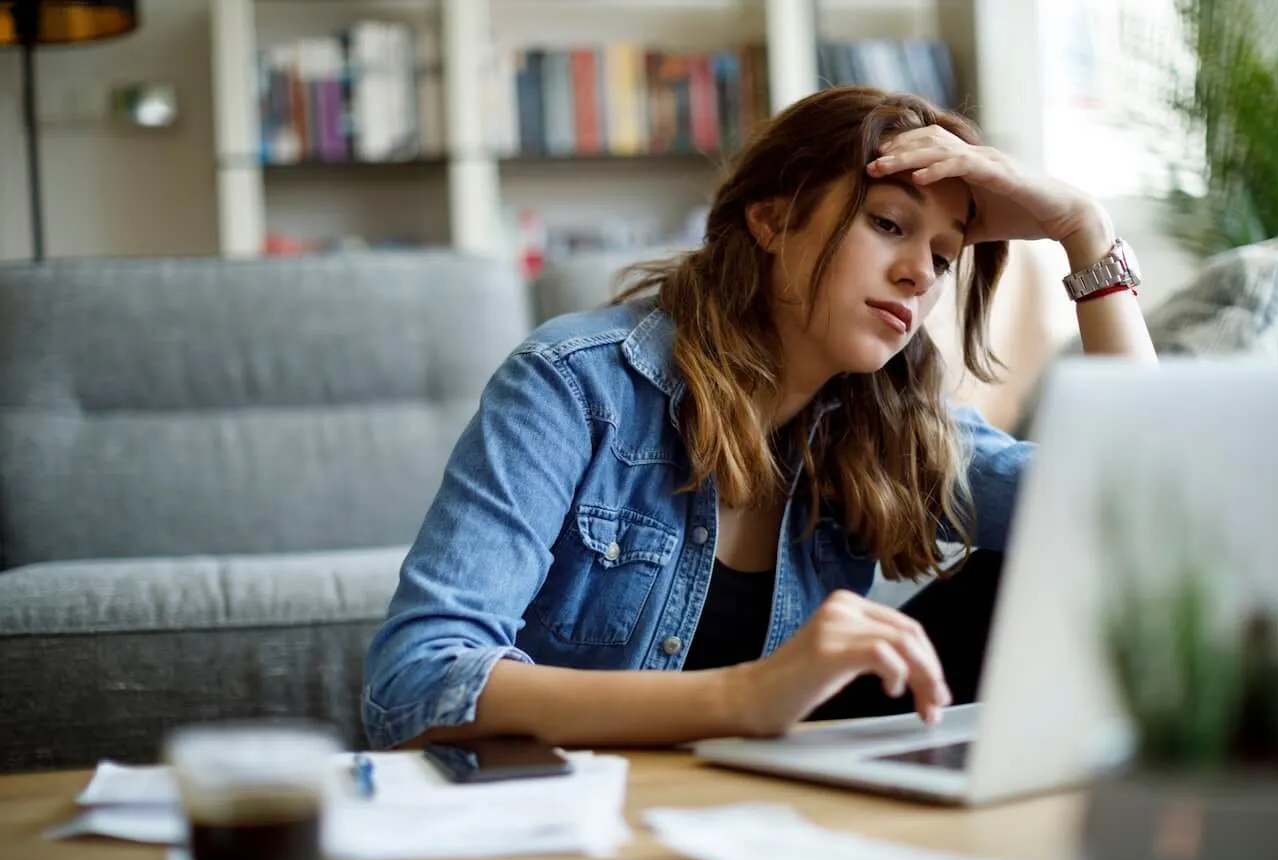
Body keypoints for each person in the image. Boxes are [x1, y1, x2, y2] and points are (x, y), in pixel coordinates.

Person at [361, 85, 1157, 751]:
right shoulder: (576, 386)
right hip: (585, 812)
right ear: (771, 221)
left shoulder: (888, 423)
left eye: (944, 256)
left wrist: (1082, 233)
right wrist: (746, 696)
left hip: (778, 807)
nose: (919, 272)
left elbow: (1136, 508)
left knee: (1054, 556)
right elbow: (417, 679)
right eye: (887, 224)